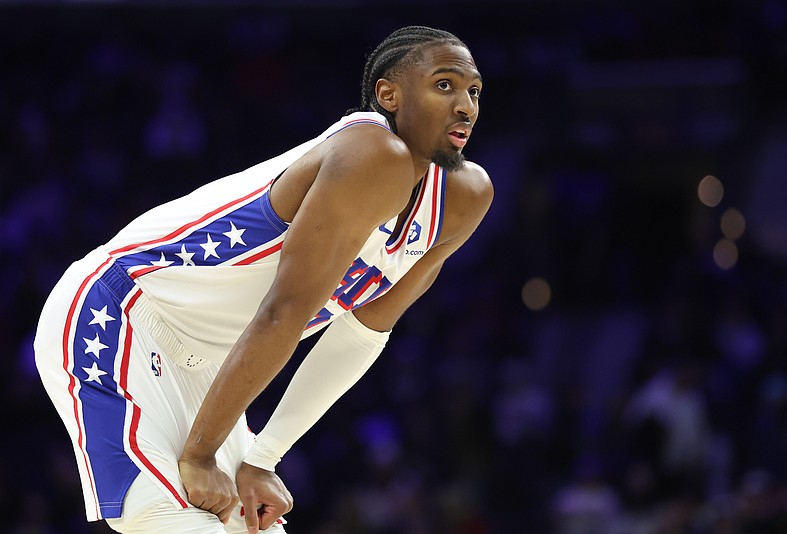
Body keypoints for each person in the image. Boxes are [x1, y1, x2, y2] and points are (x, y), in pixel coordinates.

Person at [34, 25, 492, 533]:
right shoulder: (370, 150)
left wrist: (263, 458)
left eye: (473, 91)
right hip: (120, 314)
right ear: (389, 94)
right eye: (445, 85)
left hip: (209, 366)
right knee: (161, 517)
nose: (465, 105)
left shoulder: (465, 198)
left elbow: (361, 334)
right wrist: (202, 455)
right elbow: (284, 311)